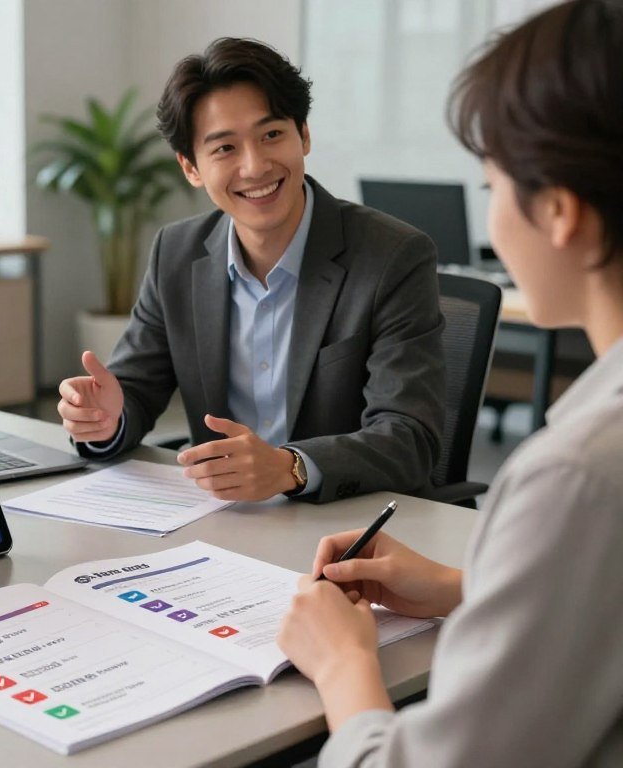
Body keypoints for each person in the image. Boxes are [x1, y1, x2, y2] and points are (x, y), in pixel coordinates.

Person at [276, 2, 623, 764]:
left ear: (559, 211)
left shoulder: (579, 470)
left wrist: (342, 663)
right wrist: (472, 590)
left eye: (491, 184)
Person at [57, 38, 445, 504]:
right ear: (191, 168)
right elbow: (135, 390)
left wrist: (291, 468)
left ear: (304, 135)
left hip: (347, 521)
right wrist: (106, 419)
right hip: (226, 522)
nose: (255, 166)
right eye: (224, 148)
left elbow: (409, 438)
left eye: (272, 135)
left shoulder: (391, 256)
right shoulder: (177, 253)